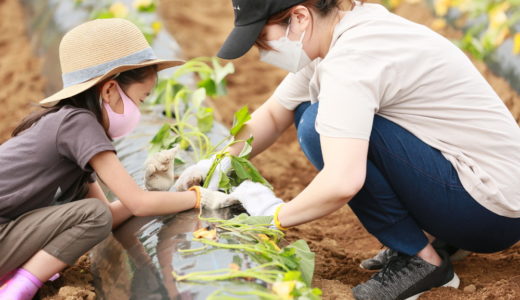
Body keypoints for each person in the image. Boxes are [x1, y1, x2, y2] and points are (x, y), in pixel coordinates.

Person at [174, 0, 520, 299]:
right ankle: (441, 237)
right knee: (308, 114)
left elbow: (343, 180)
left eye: (263, 39)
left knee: (315, 125)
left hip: (489, 211)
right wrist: (217, 161)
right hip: (491, 193)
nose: (262, 53)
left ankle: (420, 260)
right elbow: (274, 114)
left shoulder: (353, 59)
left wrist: (273, 216)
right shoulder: (346, 32)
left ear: (300, 18)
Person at [0, 18, 234, 300]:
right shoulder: (80, 125)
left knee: (94, 214)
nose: (138, 109)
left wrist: (158, 192)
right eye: (140, 99)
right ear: (110, 90)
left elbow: (107, 217)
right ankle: (16, 289)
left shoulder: (66, 125)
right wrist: (199, 198)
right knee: (92, 214)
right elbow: (125, 208)